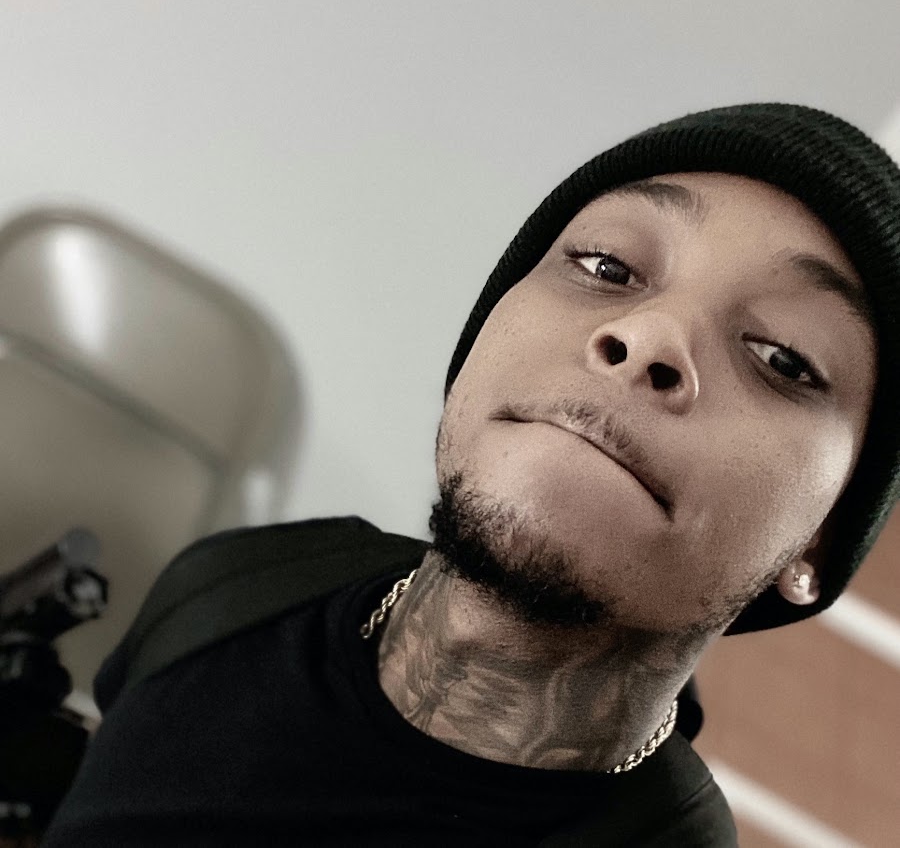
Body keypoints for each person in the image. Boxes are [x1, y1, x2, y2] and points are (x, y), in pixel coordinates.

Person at [43, 103, 900, 846]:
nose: (648, 337)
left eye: (782, 358)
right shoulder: (237, 586)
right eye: (607, 267)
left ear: (821, 541)